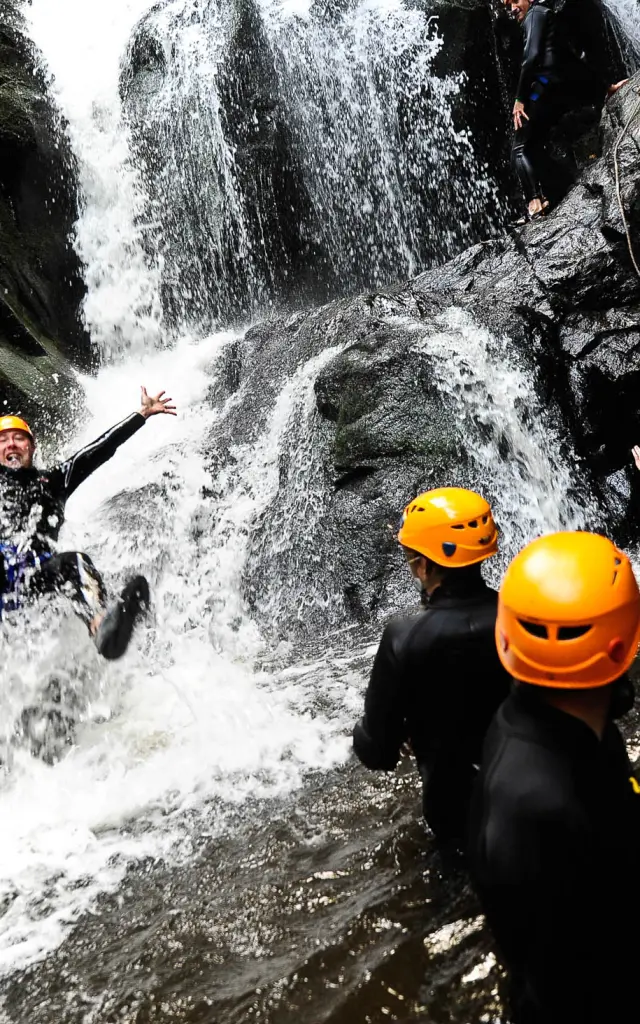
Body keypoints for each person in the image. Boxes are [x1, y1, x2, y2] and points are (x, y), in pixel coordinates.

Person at [469, 530, 640, 1023]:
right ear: (622, 646)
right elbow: (567, 986)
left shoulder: (548, 724)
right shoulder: (542, 810)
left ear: (506, 638)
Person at [352, 487, 512, 849]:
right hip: (527, 796)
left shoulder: (404, 638)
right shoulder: (522, 617)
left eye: (410, 556)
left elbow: (377, 752)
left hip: (455, 816)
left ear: (424, 565)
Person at [0, 386, 176, 659]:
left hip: (37, 579)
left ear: (31, 447)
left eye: (19, 438)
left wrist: (142, 414)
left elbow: (99, 450)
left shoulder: (54, 482)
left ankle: (101, 627)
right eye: (3, 440)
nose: (11, 444)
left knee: (75, 563)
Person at [507, 0, 625, 221]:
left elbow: (531, 57)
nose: (512, 8)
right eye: (507, 5)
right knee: (536, 144)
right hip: (559, 92)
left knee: (520, 149)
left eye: (514, 0)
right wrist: (606, 88)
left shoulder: (534, 14)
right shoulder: (548, 17)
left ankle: (534, 204)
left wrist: (520, 99)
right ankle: (559, 191)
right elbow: (572, 60)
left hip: (542, 89)